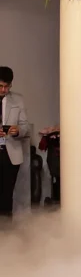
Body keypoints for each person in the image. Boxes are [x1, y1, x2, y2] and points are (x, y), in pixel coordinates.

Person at [0, 66, 29, 218]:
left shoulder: (18, 99)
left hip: (11, 152)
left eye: (7, 86)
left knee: (7, 194)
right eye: (0, 86)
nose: (3, 90)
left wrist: (17, 130)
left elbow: (25, 126)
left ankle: (6, 228)